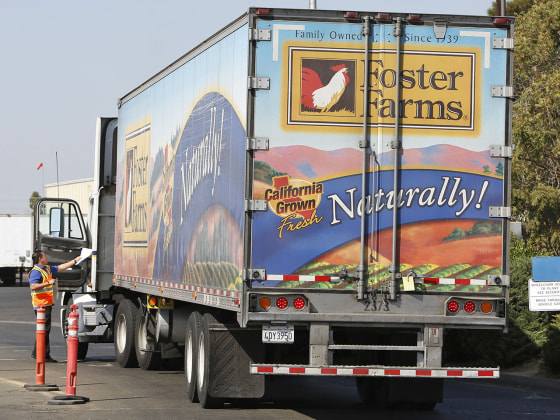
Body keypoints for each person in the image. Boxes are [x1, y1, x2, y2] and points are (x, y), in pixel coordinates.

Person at [29, 251, 80, 363]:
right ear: (39, 258)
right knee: (44, 330)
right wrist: (48, 283)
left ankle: (37, 353)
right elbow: (33, 286)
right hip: (41, 305)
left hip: (46, 304)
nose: (46, 257)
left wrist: (75, 260)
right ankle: (44, 355)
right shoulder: (36, 272)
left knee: (43, 330)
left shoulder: (46, 268)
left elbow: (61, 267)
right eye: (44, 256)